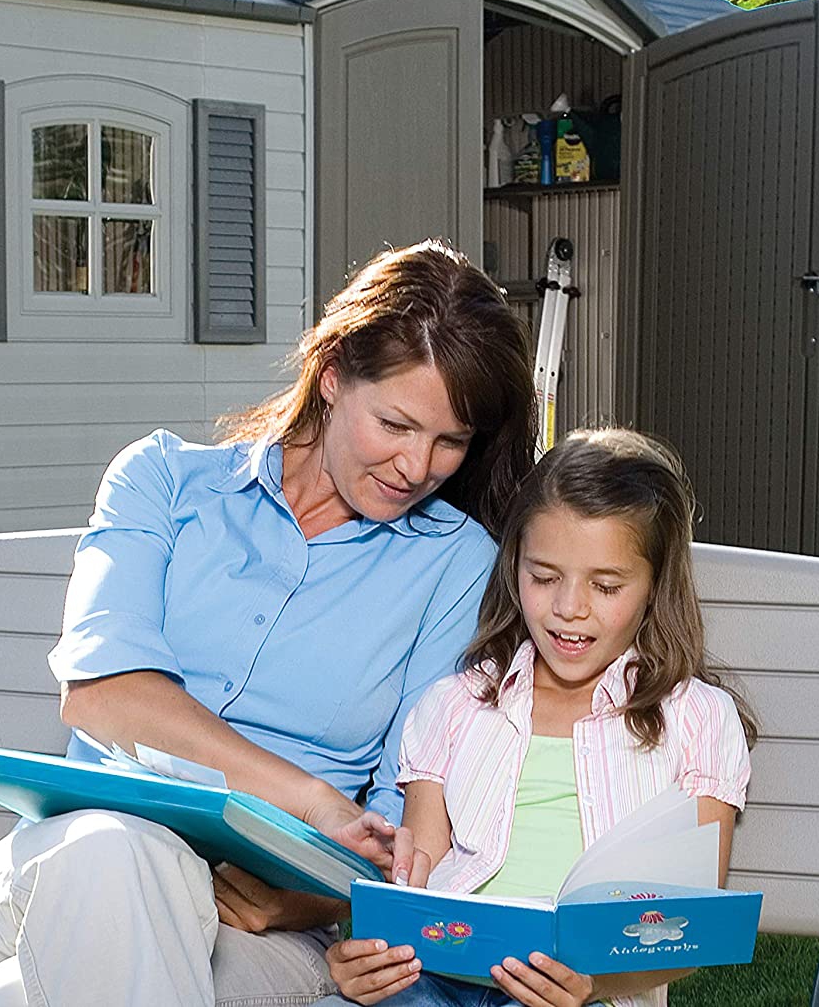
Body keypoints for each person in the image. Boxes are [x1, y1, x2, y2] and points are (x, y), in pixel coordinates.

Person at [0, 240, 536, 1007]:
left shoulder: (455, 565)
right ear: (331, 377)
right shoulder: (160, 480)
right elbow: (104, 694)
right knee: (120, 853)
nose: (418, 466)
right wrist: (314, 801)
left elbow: (402, 819)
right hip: (60, 867)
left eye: (450, 441)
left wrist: (313, 901)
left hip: (265, 932)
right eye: (395, 424)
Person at [324, 428, 758, 1007]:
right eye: (544, 577)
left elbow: (680, 932)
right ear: (514, 568)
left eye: (606, 585)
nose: (569, 607)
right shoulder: (456, 706)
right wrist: (374, 959)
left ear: (655, 586)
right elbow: (417, 886)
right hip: (441, 978)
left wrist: (588, 986)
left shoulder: (698, 720)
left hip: (593, 993)